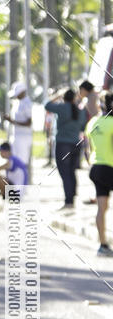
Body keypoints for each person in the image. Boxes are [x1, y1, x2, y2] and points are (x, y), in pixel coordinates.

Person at [45, 89, 88, 210]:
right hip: (76, 144)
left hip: (63, 144)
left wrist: (57, 95)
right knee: (72, 172)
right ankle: (72, 198)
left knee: (65, 173)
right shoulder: (80, 109)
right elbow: (83, 125)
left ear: (64, 98)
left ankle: (68, 201)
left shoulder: (62, 107)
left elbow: (47, 105)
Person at [86, 92, 113, 256]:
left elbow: (87, 149)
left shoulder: (92, 123)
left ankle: (102, 245)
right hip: (110, 167)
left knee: (101, 208)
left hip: (95, 167)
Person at [4, 81, 33, 166]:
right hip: (16, 136)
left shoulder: (27, 103)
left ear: (22, 91)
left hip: (23, 137)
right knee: (14, 161)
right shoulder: (18, 102)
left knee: (22, 162)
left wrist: (12, 121)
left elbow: (28, 123)